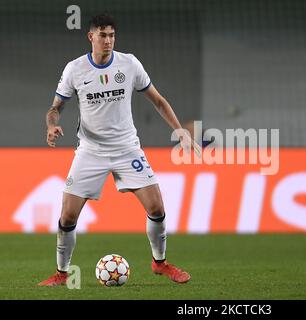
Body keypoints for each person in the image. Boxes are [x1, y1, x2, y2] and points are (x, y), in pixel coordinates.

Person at [38, 13, 201, 286]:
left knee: (157, 207)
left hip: (127, 149)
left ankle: (159, 263)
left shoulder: (129, 64)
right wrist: (51, 126)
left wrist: (180, 131)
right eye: (102, 35)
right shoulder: (75, 69)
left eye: (112, 35)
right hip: (90, 151)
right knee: (67, 215)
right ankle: (61, 274)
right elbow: (55, 108)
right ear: (91, 37)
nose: (108, 41)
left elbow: (159, 101)